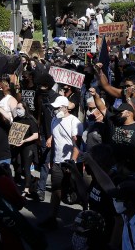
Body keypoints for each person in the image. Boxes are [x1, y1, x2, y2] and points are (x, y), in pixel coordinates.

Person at [40, 94, 83, 230]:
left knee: (79, 192)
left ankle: (85, 218)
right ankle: (52, 218)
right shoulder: (54, 121)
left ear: (65, 108)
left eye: (57, 108)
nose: (55, 110)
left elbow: (77, 146)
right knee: (56, 190)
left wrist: (72, 163)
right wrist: (52, 161)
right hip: (57, 162)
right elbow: (55, 143)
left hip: (70, 163)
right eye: (54, 108)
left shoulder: (74, 122)